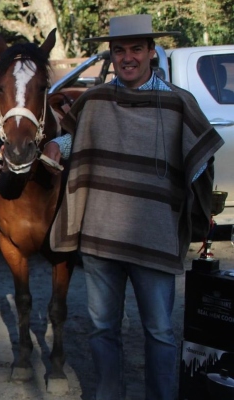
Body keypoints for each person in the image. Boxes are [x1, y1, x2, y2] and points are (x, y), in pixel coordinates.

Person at [45, 14, 224, 400]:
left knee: (159, 332)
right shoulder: (93, 101)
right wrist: (53, 147)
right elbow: (74, 141)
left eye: (136, 49)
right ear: (112, 55)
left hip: (154, 241)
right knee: (102, 329)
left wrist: (195, 206)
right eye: (120, 50)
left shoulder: (178, 104)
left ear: (151, 53)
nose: (128, 57)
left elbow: (200, 160)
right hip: (99, 239)